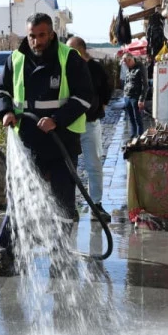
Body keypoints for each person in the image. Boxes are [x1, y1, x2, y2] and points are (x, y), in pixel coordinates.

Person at [0, 13, 94, 277]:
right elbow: (0, 91)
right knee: (19, 199)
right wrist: (5, 112)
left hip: (61, 142)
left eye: (42, 35)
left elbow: (85, 97)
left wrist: (57, 120)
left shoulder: (68, 58)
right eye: (32, 35)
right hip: (27, 142)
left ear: (51, 34)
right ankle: (7, 254)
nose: (36, 41)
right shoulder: (16, 59)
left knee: (63, 201)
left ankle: (61, 255)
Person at [68, 36, 112, 223]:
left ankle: (96, 204)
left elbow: (107, 88)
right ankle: (70, 204)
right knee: (69, 166)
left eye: (71, 49)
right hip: (69, 124)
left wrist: (101, 106)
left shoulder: (94, 68)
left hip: (89, 123)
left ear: (80, 50)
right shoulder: (66, 68)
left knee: (93, 164)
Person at [122, 54, 149, 140]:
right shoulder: (128, 69)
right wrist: (124, 95)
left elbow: (145, 85)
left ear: (130, 60)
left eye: (125, 62)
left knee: (138, 119)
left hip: (136, 97)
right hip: (127, 97)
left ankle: (140, 137)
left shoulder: (140, 68)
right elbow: (127, 82)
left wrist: (141, 99)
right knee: (131, 118)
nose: (125, 64)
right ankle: (134, 135)